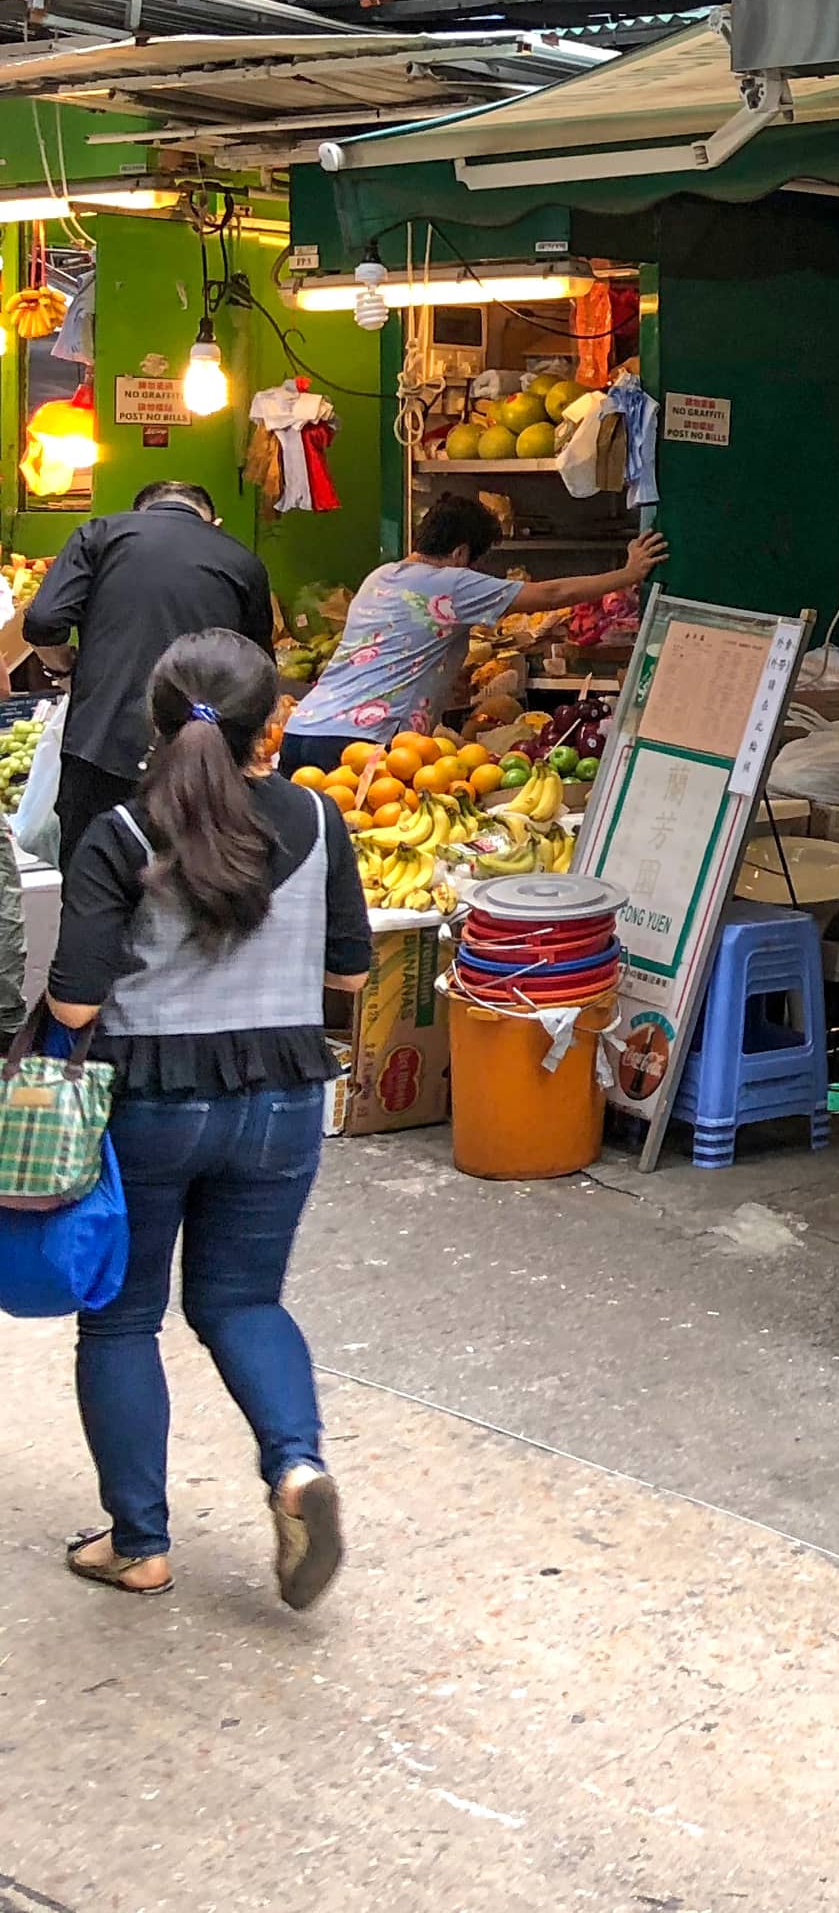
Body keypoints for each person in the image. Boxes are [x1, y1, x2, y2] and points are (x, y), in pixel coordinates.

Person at [49, 630, 371, 1606]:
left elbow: (71, 1002)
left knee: (122, 1315)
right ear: (269, 725)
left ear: (156, 719)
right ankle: (295, 1465)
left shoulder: (121, 831)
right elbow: (351, 971)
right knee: (243, 1300)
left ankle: (140, 1543)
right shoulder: (319, 817)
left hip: (147, 1106)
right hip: (281, 1101)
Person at [0, 479, 276, 875]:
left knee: (92, 885)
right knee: (191, 889)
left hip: (99, 748)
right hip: (203, 763)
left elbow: (43, 622)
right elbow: (257, 671)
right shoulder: (241, 559)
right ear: (213, 522)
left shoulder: (100, 534)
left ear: (139, 512)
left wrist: (62, 667)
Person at [280, 494, 666, 775]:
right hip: (360, 744)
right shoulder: (452, 582)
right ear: (462, 553)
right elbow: (551, 594)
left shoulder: (380, 577)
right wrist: (628, 574)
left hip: (302, 731)